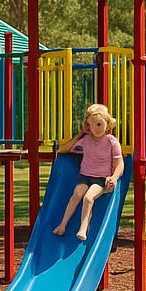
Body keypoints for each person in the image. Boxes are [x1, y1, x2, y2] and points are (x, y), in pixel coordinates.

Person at [52, 103, 124, 241]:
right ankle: (62, 225)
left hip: (101, 179)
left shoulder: (111, 142)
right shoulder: (85, 140)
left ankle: (84, 227)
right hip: (85, 176)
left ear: (107, 124)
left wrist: (114, 177)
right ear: (87, 126)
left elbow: (120, 164)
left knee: (88, 197)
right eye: (91, 125)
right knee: (77, 194)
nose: (96, 128)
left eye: (99, 124)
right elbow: (62, 149)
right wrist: (80, 134)